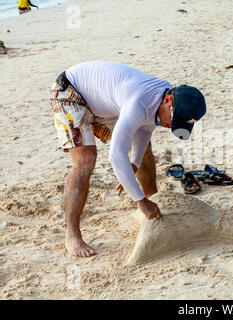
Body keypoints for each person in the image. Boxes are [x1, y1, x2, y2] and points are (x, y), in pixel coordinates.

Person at [50, 61, 206, 257]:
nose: (170, 126)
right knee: (85, 160)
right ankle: (72, 235)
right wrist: (139, 200)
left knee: (142, 148)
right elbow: (116, 155)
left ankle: (153, 200)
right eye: (174, 120)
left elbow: (144, 130)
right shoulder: (139, 102)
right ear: (168, 100)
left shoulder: (160, 98)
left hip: (103, 104)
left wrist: (135, 163)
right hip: (70, 93)